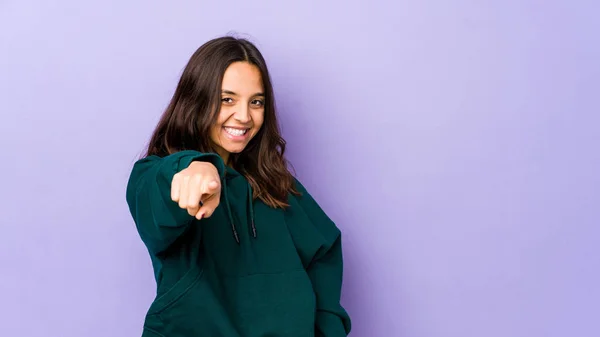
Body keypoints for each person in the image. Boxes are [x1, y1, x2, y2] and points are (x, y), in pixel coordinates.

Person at [125, 36, 351, 337]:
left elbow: (325, 250)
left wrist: (327, 329)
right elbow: (158, 198)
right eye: (227, 99)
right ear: (197, 99)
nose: (244, 116)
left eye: (256, 102)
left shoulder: (275, 185)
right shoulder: (156, 174)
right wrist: (192, 168)